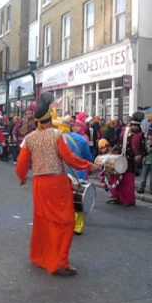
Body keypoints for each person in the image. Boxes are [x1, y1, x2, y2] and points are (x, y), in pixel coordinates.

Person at [15, 93, 99, 276]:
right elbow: (69, 158)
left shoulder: (29, 138)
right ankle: (59, 263)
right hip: (57, 184)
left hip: (39, 184)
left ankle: (41, 257)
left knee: (43, 221)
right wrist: (88, 166)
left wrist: (22, 178)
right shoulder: (56, 135)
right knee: (65, 222)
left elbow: (21, 164)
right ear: (50, 118)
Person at [62, 119, 94, 235]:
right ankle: (78, 225)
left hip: (63, 172)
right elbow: (88, 157)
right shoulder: (81, 140)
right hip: (79, 172)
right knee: (79, 198)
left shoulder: (55, 139)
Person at [108, 112, 144, 206]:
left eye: (136, 126)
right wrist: (114, 150)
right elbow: (118, 142)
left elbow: (143, 149)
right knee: (118, 179)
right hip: (120, 158)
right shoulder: (124, 131)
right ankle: (118, 197)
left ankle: (128, 200)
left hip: (130, 161)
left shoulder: (140, 135)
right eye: (133, 125)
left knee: (128, 181)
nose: (134, 127)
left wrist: (140, 155)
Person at [139, 130, 152, 195]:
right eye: (149, 135)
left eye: (151, 136)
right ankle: (141, 188)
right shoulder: (145, 142)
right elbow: (143, 150)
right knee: (143, 176)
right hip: (146, 161)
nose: (150, 137)